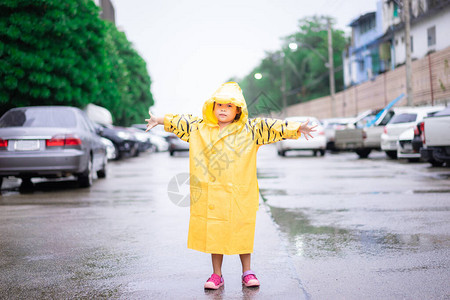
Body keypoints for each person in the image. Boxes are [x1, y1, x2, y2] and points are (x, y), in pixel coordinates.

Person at [145, 82, 316, 290]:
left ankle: (247, 271)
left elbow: (273, 126)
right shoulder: (200, 128)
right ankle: (217, 275)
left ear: (237, 110)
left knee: (242, 231)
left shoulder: (250, 130)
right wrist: (159, 120)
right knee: (215, 234)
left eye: (229, 106)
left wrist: (297, 128)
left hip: (239, 193)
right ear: (212, 107)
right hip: (212, 195)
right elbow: (180, 121)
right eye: (219, 105)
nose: (223, 109)